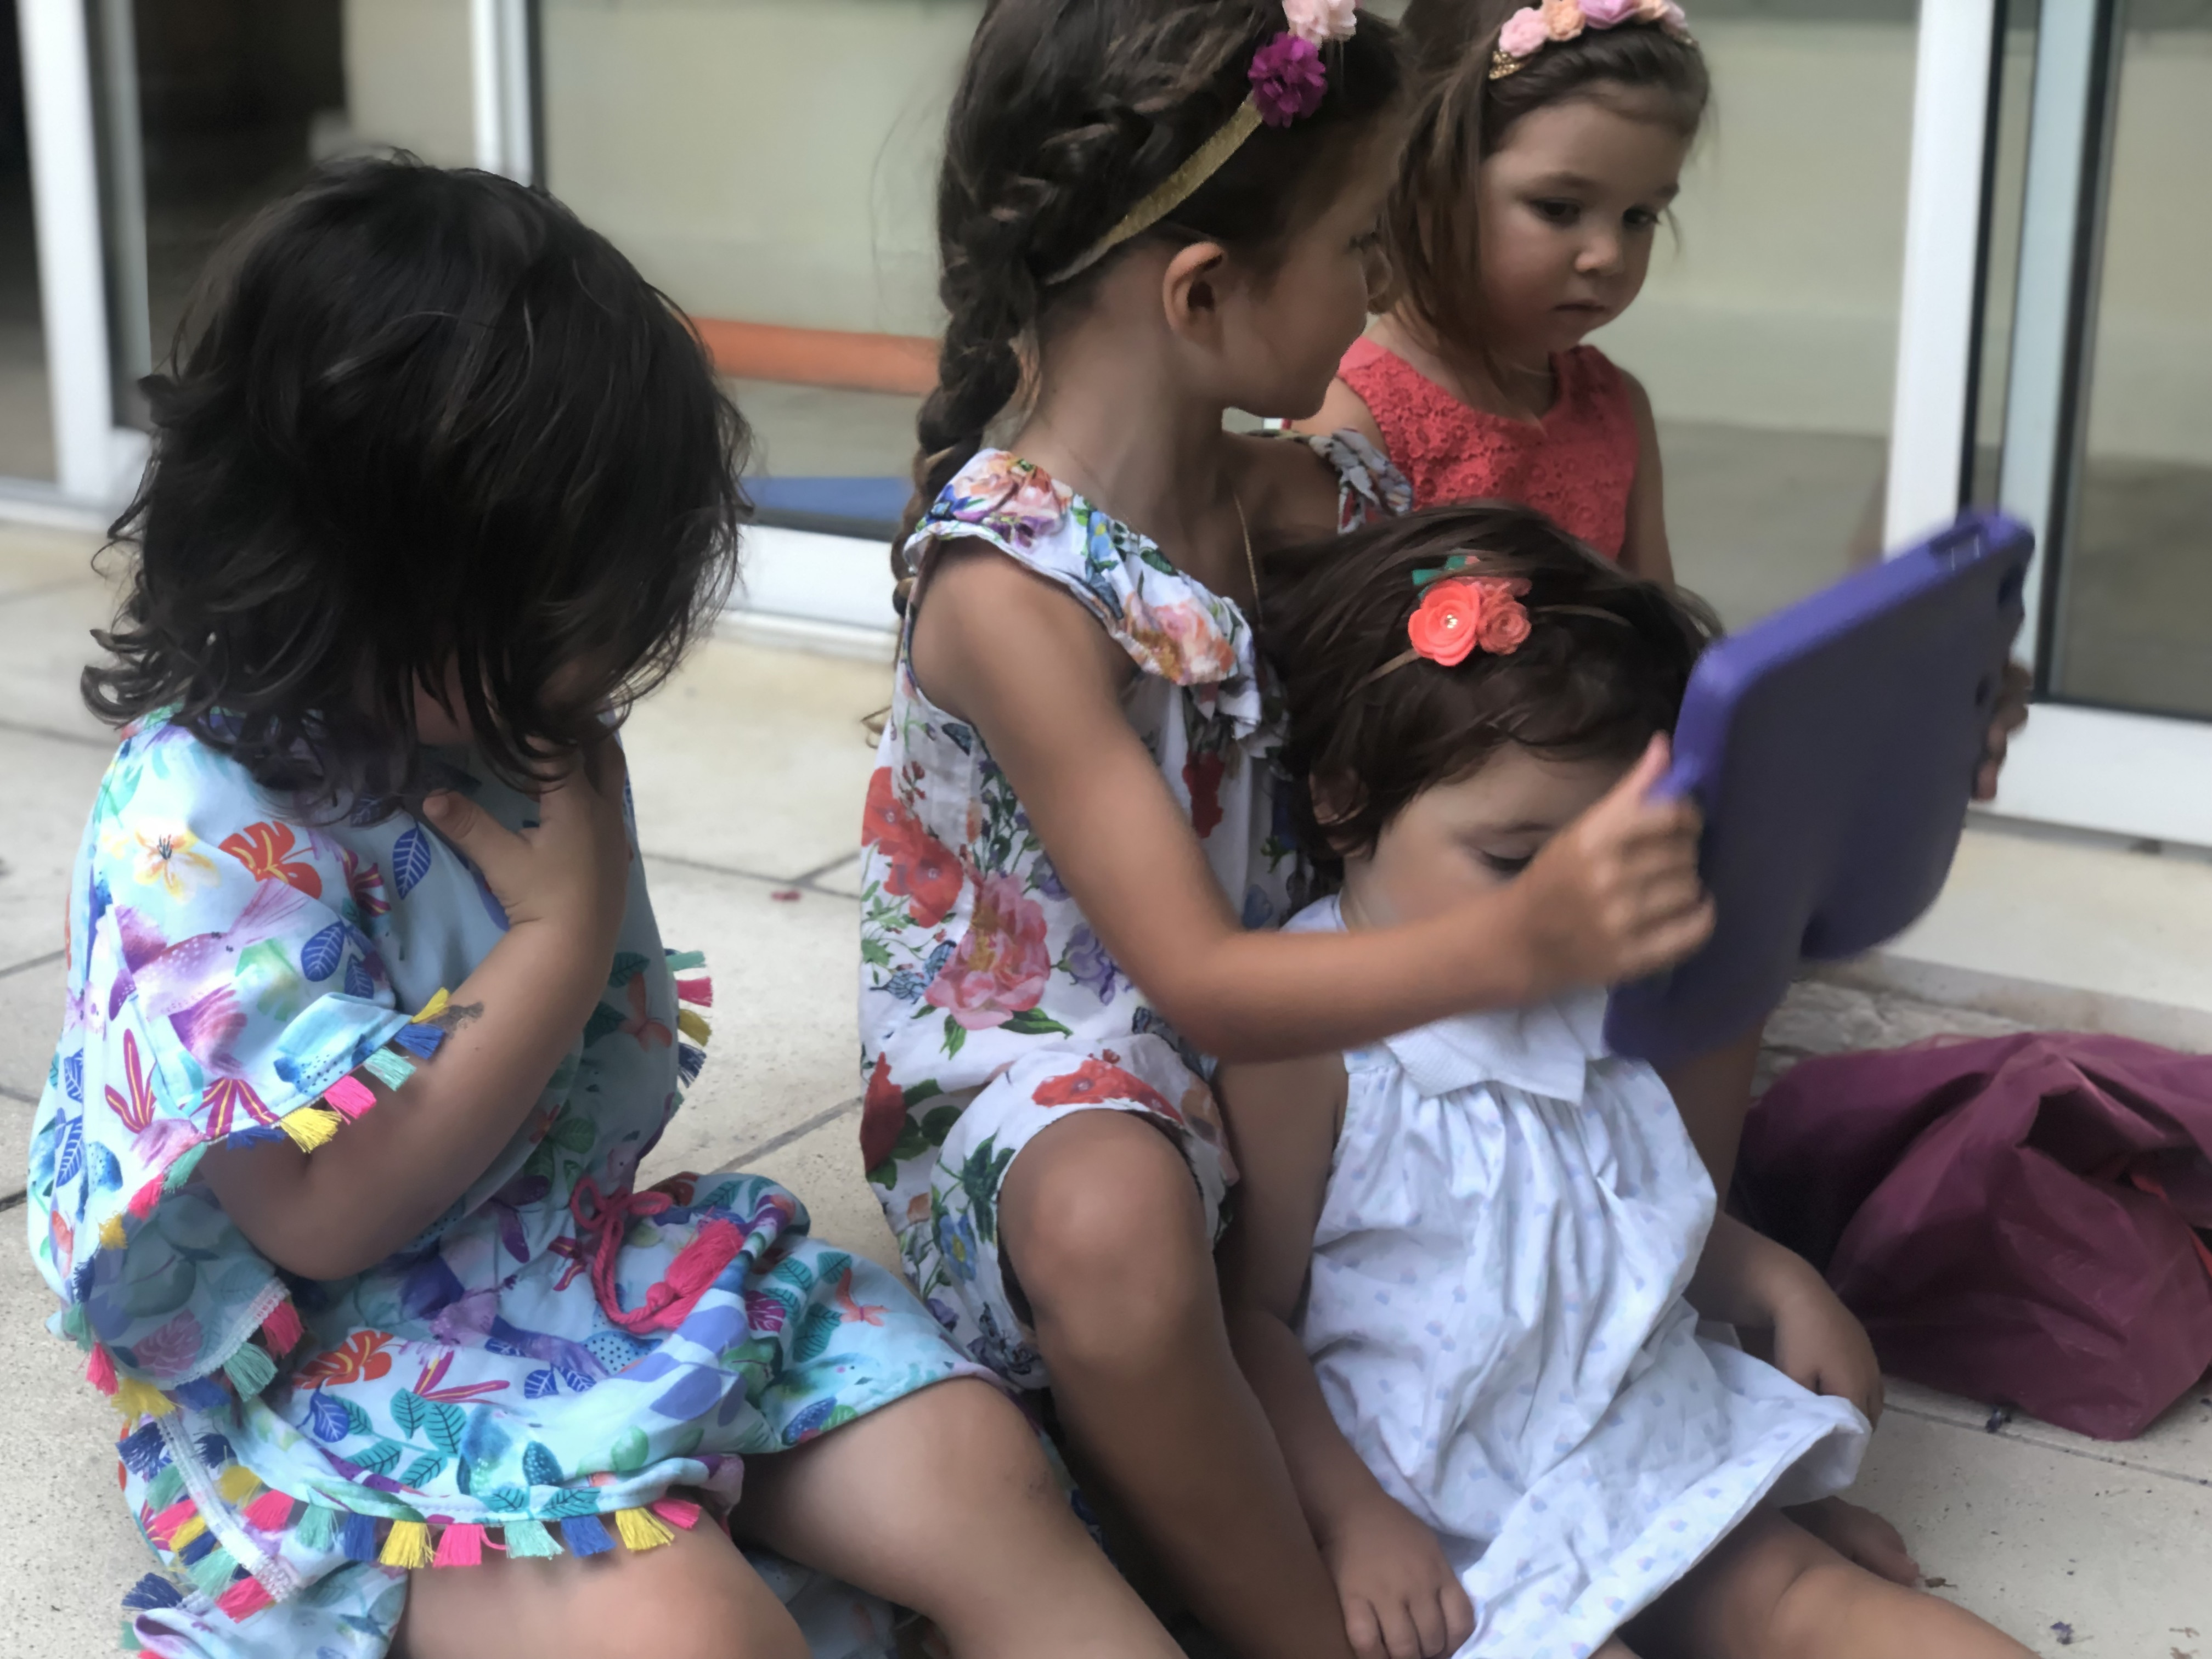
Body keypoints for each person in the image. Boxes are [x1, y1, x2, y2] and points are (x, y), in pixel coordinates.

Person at [28, 159, 1187, 1659]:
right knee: (689, 1633)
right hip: (350, 1377)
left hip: (580, 1274)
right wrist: (558, 946)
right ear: (355, 567)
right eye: (561, 617)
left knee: (979, 1472)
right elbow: (320, 1218)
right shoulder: (194, 829)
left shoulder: (511, 726)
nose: (598, 667)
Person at [857, 3, 1722, 1655]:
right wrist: (1520, 936)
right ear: (1202, 294)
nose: (1386, 288)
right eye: (1356, 246)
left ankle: (1630, 1446)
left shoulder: (1317, 499)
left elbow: (1559, 692)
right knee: (1118, 1226)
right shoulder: (1010, 591)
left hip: (1314, 992)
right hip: (1082, 1047)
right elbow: (1197, 980)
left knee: (1651, 994)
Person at [1217, 502, 2039, 1659]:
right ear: (1345, 799)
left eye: (1610, 857)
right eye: (1515, 860)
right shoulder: (1310, 1039)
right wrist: (1350, 1521)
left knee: (1826, 1609)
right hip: (1447, 1525)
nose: (1574, 904)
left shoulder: (1601, 985)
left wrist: (1774, 1280)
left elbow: (1613, 1201)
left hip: (1638, 1445)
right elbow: (1251, 1319)